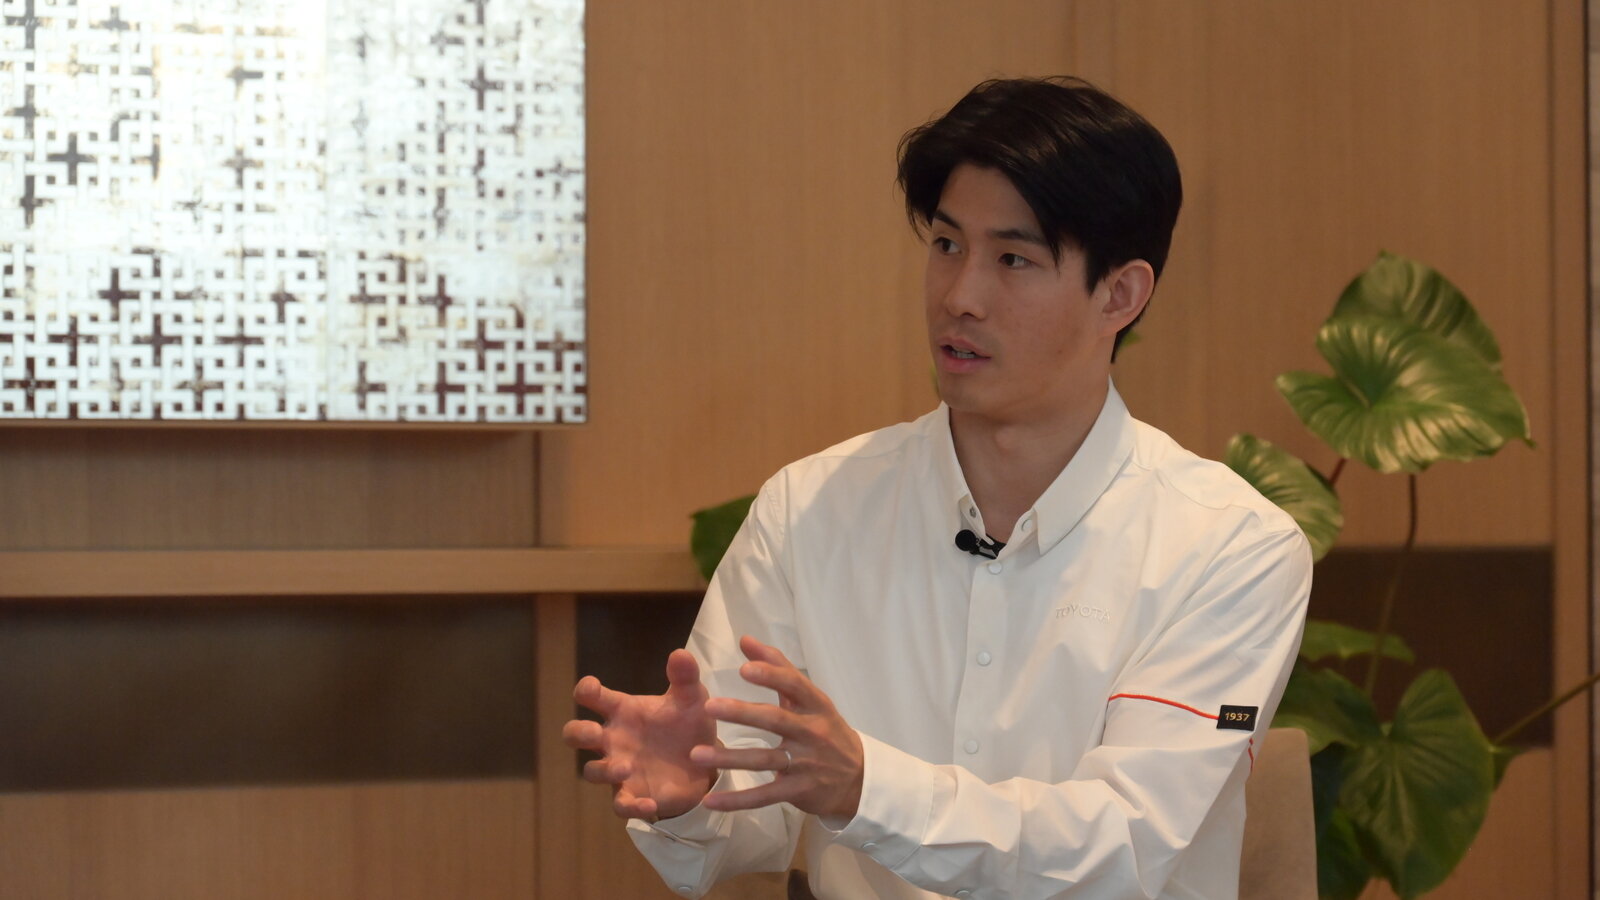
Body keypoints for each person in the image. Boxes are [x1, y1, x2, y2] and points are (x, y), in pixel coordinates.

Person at [563, 76, 1311, 900]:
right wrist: (697, 789)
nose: (960, 297)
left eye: (1013, 260)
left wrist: (866, 789)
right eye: (948, 245)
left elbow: (1123, 847)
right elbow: (744, 821)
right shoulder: (811, 510)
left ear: (1120, 295)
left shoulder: (1230, 547)